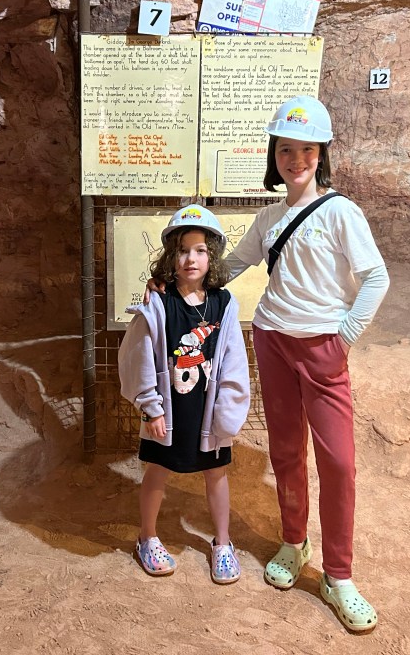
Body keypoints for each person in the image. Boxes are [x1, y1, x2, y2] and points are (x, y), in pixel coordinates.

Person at [146, 96, 389, 632]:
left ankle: (339, 575)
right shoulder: (268, 218)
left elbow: (376, 277)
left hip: (324, 346)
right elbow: (229, 266)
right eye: (285, 149)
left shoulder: (341, 212)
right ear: (273, 155)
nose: (295, 159)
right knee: (285, 451)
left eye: (306, 149)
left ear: (321, 153)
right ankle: (294, 542)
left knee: (339, 462)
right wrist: (168, 282)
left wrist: (345, 337)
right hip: (273, 339)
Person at [118, 204, 251, 584]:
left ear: (212, 256)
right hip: (168, 413)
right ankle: (147, 537)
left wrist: (229, 411)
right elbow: (138, 357)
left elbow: (234, 359)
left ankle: (222, 542)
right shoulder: (159, 303)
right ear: (170, 256)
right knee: (157, 471)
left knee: (216, 473)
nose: (191, 259)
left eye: (200, 250)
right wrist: (151, 407)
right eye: (182, 250)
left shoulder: (224, 303)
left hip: (208, 413)